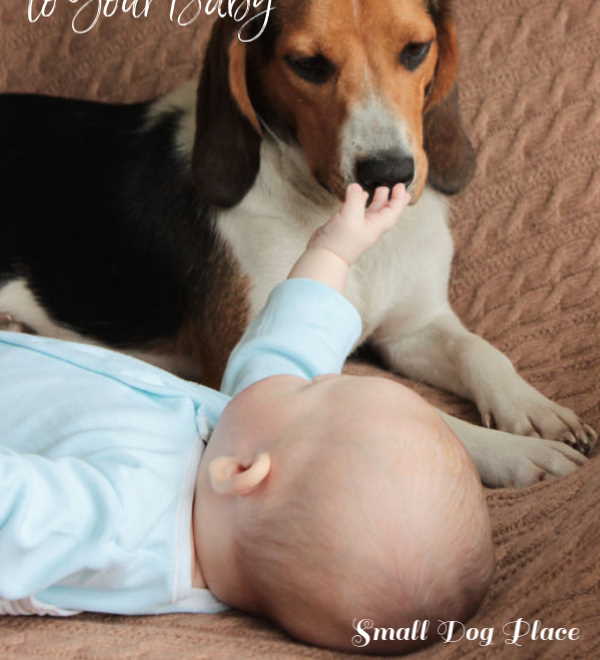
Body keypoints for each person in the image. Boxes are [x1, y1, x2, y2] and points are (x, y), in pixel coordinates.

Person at [0, 183, 494, 654]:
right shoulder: (237, 464)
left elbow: (15, 514)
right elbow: (295, 346)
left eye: (314, 387)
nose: (309, 373)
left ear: (246, 472)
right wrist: (334, 253)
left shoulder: (124, 522)